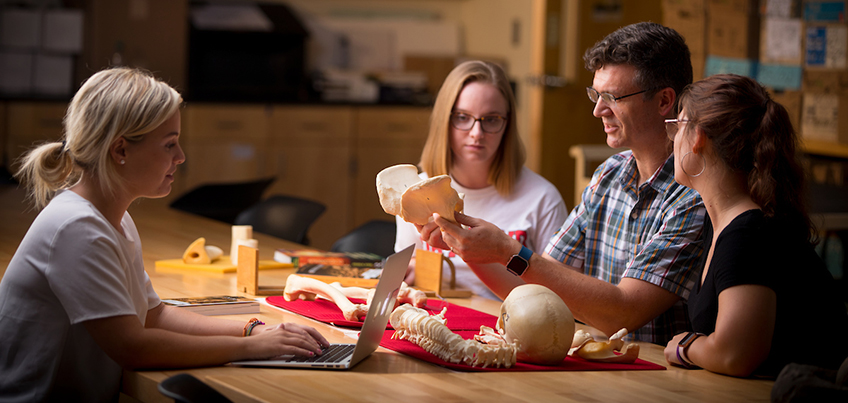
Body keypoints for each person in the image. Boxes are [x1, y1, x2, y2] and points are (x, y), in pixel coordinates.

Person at [0, 67, 328, 402]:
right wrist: (251, 348)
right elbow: (133, 347)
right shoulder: (77, 228)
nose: (180, 157)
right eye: (170, 144)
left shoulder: (114, 219)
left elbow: (154, 315)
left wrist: (256, 329)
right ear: (121, 151)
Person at [425, 22, 706, 344]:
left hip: (656, 379)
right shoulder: (609, 175)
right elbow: (537, 289)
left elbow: (623, 314)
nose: (598, 110)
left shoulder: (693, 194)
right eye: (596, 95)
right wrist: (468, 248)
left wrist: (505, 249)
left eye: (612, 97)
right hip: (599, 367)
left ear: (663, 101)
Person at [662, 74, 848, 377]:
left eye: (678, 127)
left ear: (697, 138)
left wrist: (687, 346)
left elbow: (736, 353)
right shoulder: (725, 224)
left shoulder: (747, 235)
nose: (673, 140)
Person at [394, 60, 568, 300]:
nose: (477, 133)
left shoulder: (542, 198)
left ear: (508, 125)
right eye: (463, 117)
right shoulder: (416, 193)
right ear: (444, 121)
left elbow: (559, 295)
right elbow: (412, 267)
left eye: (491, 119)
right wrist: (411, 269)